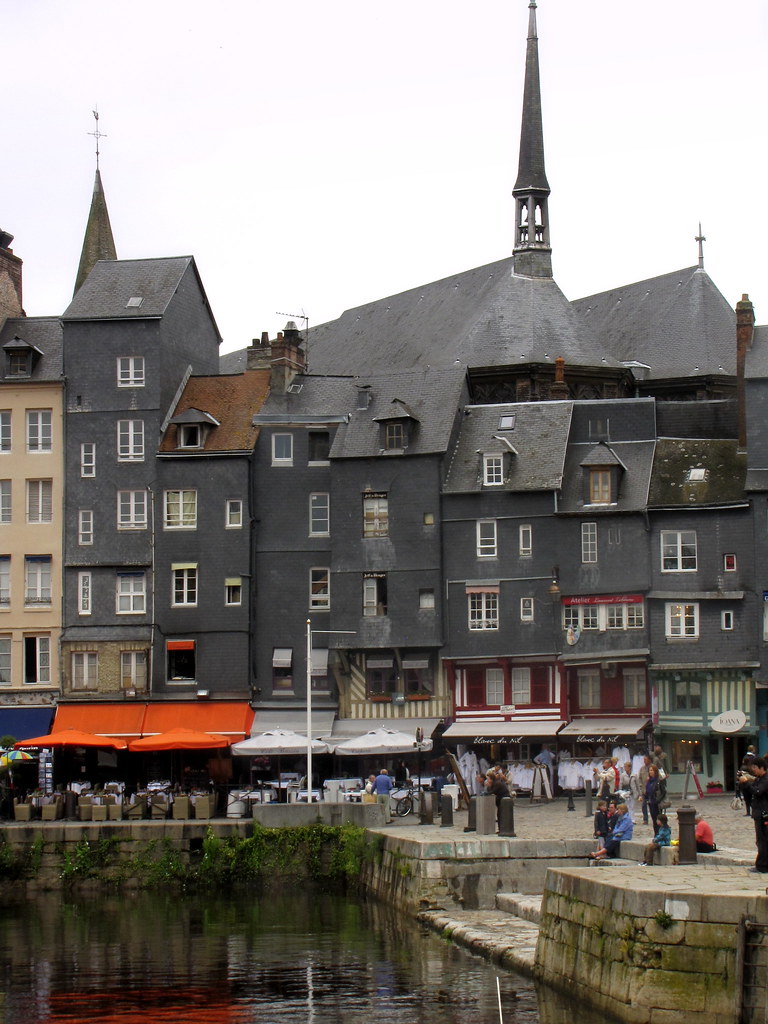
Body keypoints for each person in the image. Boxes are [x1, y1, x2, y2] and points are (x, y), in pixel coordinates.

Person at [741, 757, 768, 874]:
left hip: (763, 814)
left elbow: (757, 791)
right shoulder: (759, 779)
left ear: (762, 767)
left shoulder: (765, 780)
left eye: (755, 768)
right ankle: (761, 864)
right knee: (760, 841)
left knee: (763, 841)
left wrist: (746, 783)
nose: (754, 770)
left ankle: (762, 866)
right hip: (758, 813)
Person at [643, 764, 666, 830]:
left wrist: (658, 800)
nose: (650, 772)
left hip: (657, 803)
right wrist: (645, 797)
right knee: (654, 820)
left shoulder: (658, 781)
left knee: (658, 820)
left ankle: (660, 834)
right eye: (649, 770)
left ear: (655, 771)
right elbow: (647, 791)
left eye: (652, 770)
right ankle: (656, 834)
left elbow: (663, 791)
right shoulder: (649, 781)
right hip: (651, 803)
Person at [741, 748, 757, 816]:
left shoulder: (744, 767)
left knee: (747, 800)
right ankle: (753, 811)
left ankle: (748, 812)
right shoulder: (751, 767)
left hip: (745, 784)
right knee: (751, 799)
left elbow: (742, 775)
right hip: (751, 784)